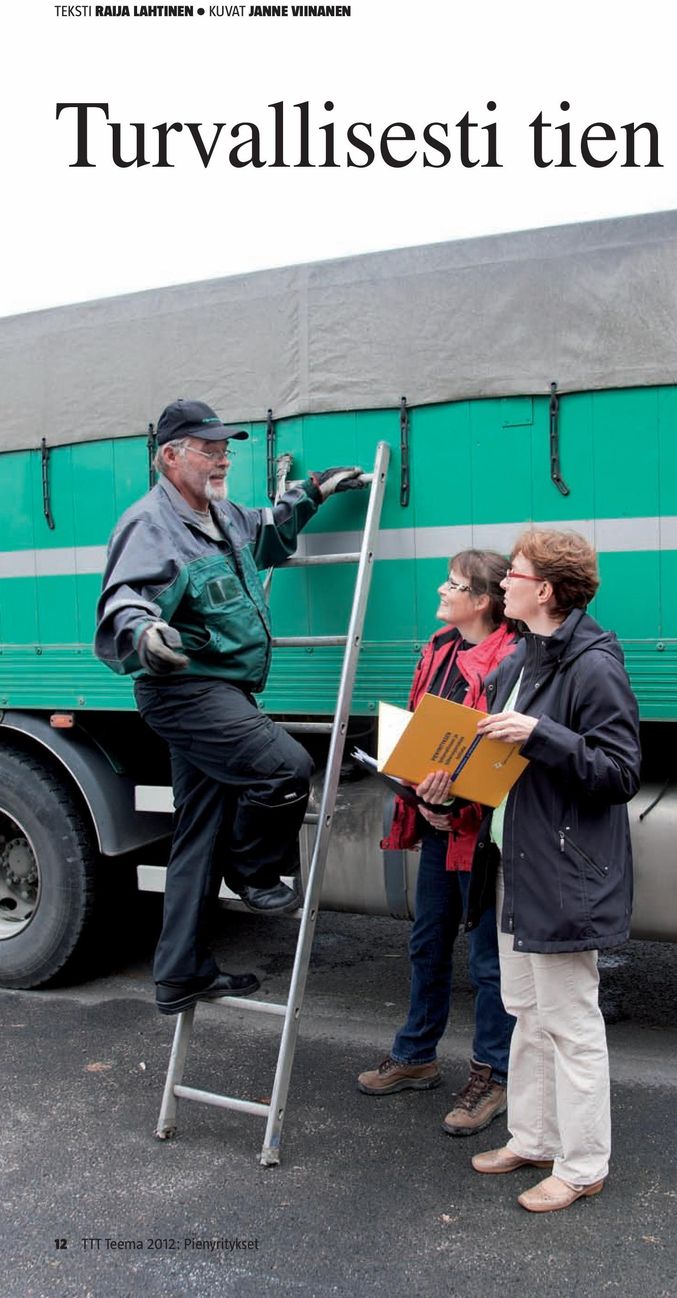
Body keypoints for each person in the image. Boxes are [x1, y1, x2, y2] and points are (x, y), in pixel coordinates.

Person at [94, 397, 363, 1016]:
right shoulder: (151, 525)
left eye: (225, 450)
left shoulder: (222, 514)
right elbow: (125, 600)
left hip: (224, 690)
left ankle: (181, 972)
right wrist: (144, 634)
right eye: (208, 449)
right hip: (187, 692)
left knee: (199, 832)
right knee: (287, 769)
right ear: (169, 456)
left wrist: (313, 492)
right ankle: (257, 872)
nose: (222, 460)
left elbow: (269, 533)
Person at [467, 528, 641, 1212]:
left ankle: (582, 1165)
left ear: (543, 588)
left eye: (512, 574)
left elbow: (620, 771)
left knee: (570, 1023)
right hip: (520, 865)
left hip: (564, 873)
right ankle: (533, 1139)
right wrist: (444, 779)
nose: (501, 583)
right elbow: (504, 763)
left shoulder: (593, 664)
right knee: (528, 1014)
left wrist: (544, 736)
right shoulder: (521, 660)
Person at [357, 551, 518, 1136]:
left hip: (477, 836)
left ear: (482, 600)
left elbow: (504, 757)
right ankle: (416, 1056)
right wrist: (425, 798)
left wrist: (462, 808)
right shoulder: (439, 648)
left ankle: (493, 1076)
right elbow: (428, 740)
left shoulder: (510, 657)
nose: (442, 591)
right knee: (426, 943)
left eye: (453, 585)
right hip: (436, 823)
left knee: (488, 962)